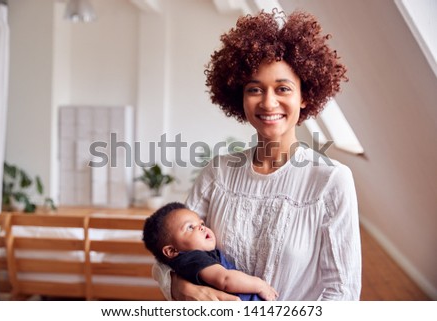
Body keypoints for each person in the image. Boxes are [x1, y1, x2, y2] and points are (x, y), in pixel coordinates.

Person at [153, 9, 362, 301]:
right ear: (239, 96)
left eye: (283, 88)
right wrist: (179, 286)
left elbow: (342, 292)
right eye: (255, 89)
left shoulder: (330, 180)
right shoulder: (218, 173)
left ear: (305, 97)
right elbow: (169, 251)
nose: (268, 102)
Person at [143, 202, 279, 301]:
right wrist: (260, 285)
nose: (201, 228)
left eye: (201, 224)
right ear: (172, 250)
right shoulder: (194, 258)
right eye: (190, 227)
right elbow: (225, 280)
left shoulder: (191, 259)